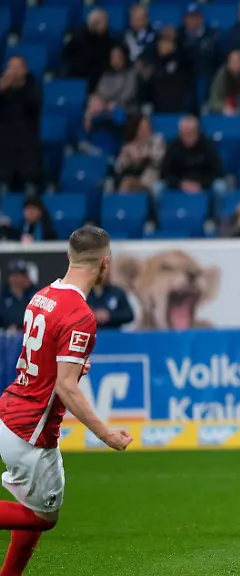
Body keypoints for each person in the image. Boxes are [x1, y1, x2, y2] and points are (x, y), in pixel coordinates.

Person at [0, 226, 132, 575]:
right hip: (31, 430)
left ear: (67, 257)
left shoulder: (41, 295)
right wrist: (107, 434)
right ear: (104, 264)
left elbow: (46, 360)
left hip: (10, 412)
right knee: (43, 518)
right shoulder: (80, 314)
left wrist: (72, 367)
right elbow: (66, 388)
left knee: (32, 509)